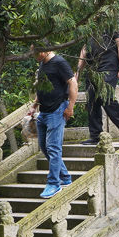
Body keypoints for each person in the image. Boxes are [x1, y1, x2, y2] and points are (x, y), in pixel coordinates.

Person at [31, 42, 76, 197]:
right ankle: (65, 177)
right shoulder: (43, 64)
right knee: (44, 147)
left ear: (44, 50)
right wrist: (34, 104)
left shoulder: (59, 62)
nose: (33, 56)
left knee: (53, 148)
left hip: (57, 109)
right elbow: (43, 86)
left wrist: (70, 106)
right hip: (43, 111)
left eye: (35, 52)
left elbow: (73, 82)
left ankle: (53, 183)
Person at [77, 28, 119, 143]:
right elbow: (85, 49)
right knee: (92, 100)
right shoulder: (92, 26)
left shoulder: (114, 24)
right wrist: (77, 73)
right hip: (92, 67)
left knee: (105, 96)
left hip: (109, 66)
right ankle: (95, 135)